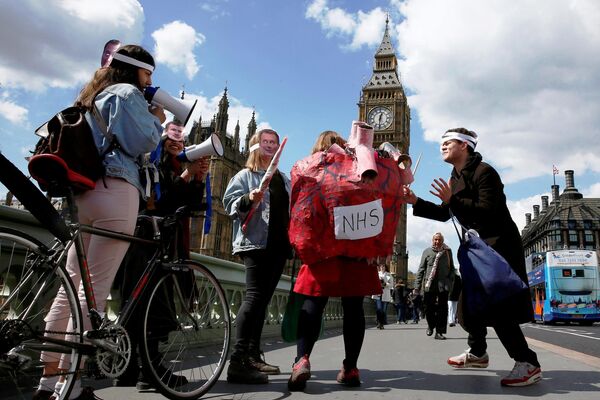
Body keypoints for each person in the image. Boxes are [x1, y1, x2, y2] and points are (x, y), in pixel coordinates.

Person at [34, 45, 164, 400]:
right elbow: (146, 142)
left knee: (69, 289)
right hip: (116, 191)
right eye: (148, 74)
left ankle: (47, 382)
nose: (150, 82)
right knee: (92, 292)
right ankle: (71, 384)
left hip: (85, 196)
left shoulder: (93, 96)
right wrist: (157, 119)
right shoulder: (127, 93)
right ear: (135, 70)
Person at [404, 127, 542, 387]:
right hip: (478, 250)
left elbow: (488, 211)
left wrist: (452, 201)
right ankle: (478, 353)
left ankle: (528, 362)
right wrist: (415, 201)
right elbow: (446, 213)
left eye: (448, 142)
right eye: (441, 142)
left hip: (498, 248)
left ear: (465, 145)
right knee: (469, 304)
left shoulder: (485, 172)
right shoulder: (455, 176)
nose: (442, 146)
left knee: (499, 309)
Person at [114, 119, 210, 390]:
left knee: (144, 305)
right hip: (143, 240)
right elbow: (158, 201)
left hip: (163, 245)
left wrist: (197, 177)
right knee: (146, 306)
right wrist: (184, 176)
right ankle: (148, 371)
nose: (176, 142)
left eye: (181, 140)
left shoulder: (177, 166)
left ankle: (131, 369)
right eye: (171, 137)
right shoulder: (149, 162)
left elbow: (187, 206)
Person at [286, 130, 384, 391]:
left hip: (322, 252)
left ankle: (301, 360)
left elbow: (298, 211)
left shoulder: (307, 170)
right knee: (354, 310)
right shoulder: (358, 171)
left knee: (313, 306)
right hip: (355, 253)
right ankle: (350, 367)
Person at [223, 128, 291, 384]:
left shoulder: (283, 179)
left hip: (278, 245)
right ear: (255, 146)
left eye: (274, 142)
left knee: (262, 302)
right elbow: (228, 205)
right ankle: (237, 361)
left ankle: (253, 354)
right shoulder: (245, 175)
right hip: (254, 243)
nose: (271, 146)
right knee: (253, 298)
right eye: (266, 142)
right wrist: (247, 198)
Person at [414, 232, 455, 340]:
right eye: (435, 240)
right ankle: (431, 326)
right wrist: (417, 286)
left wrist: (449, 281)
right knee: (428, 308)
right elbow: (421, 270)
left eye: (439, 240)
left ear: (442, 241)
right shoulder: (427, 252)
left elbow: (452, 269)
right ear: (432, 240)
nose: (437, 242)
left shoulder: (447, 252)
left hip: (443, 285)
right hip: (429, 285)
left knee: (443, 309)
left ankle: (440, 332)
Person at [372, 264, 393, 329]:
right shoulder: (376, 274)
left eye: (383, 266)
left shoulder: (389, 275)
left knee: (383, 310)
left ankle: (381, 323)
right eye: (381, 267)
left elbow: (391, 285)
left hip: (385, 293)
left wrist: (385, 283)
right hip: (378, 294)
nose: (382, 268)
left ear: (385, 267)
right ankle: (379, 323)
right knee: (379, 309)